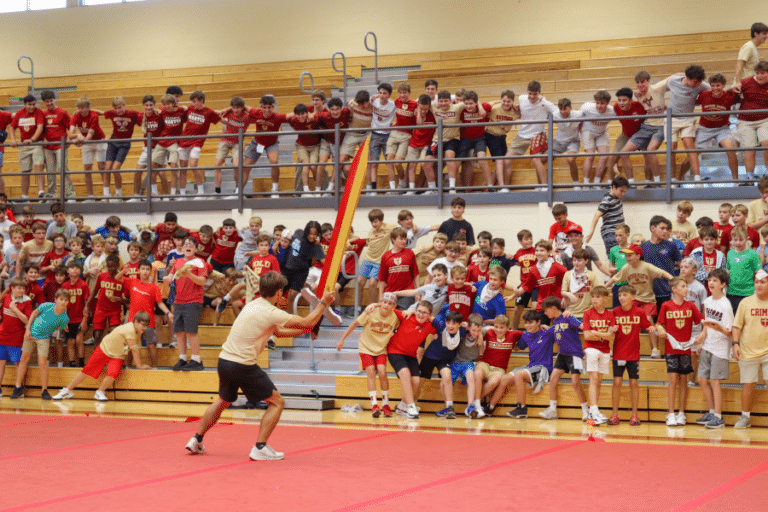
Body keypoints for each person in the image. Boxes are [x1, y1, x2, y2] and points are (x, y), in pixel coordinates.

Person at [186, 271, 334, 460]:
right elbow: (306, 321)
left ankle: (196, 439)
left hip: (224, 361)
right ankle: (260, 448)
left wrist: (307, 329)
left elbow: (278, 332)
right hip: (242, 365)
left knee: (223, 400)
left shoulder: (253, 304)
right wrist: (323, 303)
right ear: (278, 292)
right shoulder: (271, 312)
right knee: (277, 402)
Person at [53, 311, 151, 402]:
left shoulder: (138, 333)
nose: (145, 328)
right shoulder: (129, 329)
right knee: (86, 370)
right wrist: (139, 366)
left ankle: (100, 391)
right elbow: (134, 350)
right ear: (136, 321)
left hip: (118, 355)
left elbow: (136, 349)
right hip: (104, 349)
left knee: (113, 374)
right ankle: (67, 390)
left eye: (147, 326)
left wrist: (138, 365)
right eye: (143, 325)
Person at [337, 292, 401, 418]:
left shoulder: (395, 317)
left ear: (394, 306)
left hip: (381, 348)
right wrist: (342, 339)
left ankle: (386, 405)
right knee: (371, 372)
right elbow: (354, 324)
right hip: (365, 347)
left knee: (382, 373)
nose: (386, 305)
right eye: (384, 302)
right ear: (380, 302)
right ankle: (374, 405)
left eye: (390, 303)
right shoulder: (370, 311)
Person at [606, 244, 673, 359]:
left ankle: (655, 349)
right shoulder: (626, 268)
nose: (627, 258)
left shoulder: (646, 266)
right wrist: (604, 287)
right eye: (626, 256)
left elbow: (662, 272)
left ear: (638, 255)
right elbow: (615, 278)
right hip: (634, 299)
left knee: (648, 319)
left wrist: (673, 279)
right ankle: (618, 346)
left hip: (648, 299)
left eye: (630, 255)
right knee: (624, 319)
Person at [656, 277, 704, 426]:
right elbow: (659, 323)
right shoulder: (666, 305)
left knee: (683, 380)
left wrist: (702, 336)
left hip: (685, 349)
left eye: (686, 286)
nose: (686, 289)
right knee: (672, 381)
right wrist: (660, 329)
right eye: (683, 286)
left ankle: (681, 413)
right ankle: (671, 414)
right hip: (671, 349)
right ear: (674, 289)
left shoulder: (691, 306)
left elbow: (703, 322)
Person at [488, 310, 554, 418]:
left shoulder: (547, 332)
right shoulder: (526, 335)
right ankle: (490, 407)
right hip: (531, 367)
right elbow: (517, 347)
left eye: (531, 322)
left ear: (538, 322)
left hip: (544, 369)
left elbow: (563, 327)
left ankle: (522, 408)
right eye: (526, 323)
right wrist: (502, 340)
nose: (528, 325)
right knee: (505, 379)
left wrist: (548, 326)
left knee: (519, 374)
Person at [10, 289, 70, 400]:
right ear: (55, 300)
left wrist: (49, 330)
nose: (63, 302)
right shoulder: (46, 306)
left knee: (42, 363)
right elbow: (34, 314)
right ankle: (17, 387)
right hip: (31, 334)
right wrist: (27, 330)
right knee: (23, 359)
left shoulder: (64, 318)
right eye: (61, 299)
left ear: (68, 302)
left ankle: (44, 390)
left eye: (66, 300)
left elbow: (58, 328)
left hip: (44, 339)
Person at [694, 268, 733, 429]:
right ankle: (711, 412)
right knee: (702, 379)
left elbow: (729, 331)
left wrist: (718, 328)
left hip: (720, 348)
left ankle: (718, 417)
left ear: (722, 284)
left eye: (715, 280)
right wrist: (702, 341)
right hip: (707, 346)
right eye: (710, 280)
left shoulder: (726, 304)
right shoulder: (708, 301)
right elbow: (706, 323)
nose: (711, 283)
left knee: (714, 381)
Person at [611, 285, 656, 425]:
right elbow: (610, 328)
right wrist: (611, 329)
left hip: (633, 354)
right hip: (618, 354)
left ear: (633, 297)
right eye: (620, 295)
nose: (621, 298)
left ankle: (634, 415)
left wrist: (652, 327)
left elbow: (647, 325)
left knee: (634, 383)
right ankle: (614, 415)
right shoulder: (615, 312)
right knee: (617, 383)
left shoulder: (639, 312)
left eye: (625, 295)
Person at [538, 296, 588, 421]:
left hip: (574, 354)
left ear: (554, 308)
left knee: (575, 383)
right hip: (563, 354)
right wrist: (548, 329)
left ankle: (586, 412)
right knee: (553, 379)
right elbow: (559, 331)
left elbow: (583, 326)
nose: (545, 313)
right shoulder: (555, 321)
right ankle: (552, 410)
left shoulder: (568, 317)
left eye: (546, 310)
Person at [387, 300, 437, 419]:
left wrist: (433, 319)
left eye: (424, 313)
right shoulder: (407, 316)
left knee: (416, 381)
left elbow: (441, 327)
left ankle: (402, 406)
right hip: (395, 351)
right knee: (405, 374)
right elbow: (389, 308)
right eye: (419, 311)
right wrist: (375, 305)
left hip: (411, 355)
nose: (421, 314)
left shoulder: (430, 325)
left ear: (429, 315)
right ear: (415, 311)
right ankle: (411, 407)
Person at [731, 268, 768, 429]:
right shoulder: (745, 303)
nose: (759, 285)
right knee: (748, 385)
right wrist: (735, 343)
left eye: (763, 282)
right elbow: (736, 326)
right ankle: (745, 417)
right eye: (757, 282)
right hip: (748, 351)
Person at [165, 237, 209, 371]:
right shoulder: (178, 262)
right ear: (182, 248)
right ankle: (182, 359)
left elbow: (202, 281)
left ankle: (196, 360)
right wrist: (167, 278)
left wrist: (189, 274)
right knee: (179, 332)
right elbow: (170, 277)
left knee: (191, 332)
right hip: (178, 301)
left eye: (191, 244)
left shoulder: (200, 262)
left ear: (195, 249)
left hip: (193, 301)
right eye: (186, 244)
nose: (188, 246)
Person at [506, 81, 558, 186]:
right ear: (527, 91)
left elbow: (558, 113)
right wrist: (514, 106)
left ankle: (544, 187)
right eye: (530, 93)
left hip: (537, 134)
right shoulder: (521, 98)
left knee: (536, 160)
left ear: (539, 93)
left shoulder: (545, 103)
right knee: (506, 160)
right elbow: (517, 108)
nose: (532, 96)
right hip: (522, 134)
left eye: (535, 94)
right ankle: (505, 188)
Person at [694, 73, 741, 182]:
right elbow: (691, 102)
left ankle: (736, 181)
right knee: (692, 154)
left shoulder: (730, 96)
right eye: (713, 86)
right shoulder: (704, 95)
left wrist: (733, 89)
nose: (715, 88)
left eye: (718, 85)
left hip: (722, 129)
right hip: (704, 129)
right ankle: (679, 178)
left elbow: (744, 96)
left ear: (724, 85)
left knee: (731, 150)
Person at [244, 95, 287, 198]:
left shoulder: (278, 117)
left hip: (271, 144)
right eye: (264, 107)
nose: (267, 110)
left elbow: (292, 115)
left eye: (269, 107)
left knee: (274, 161)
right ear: (261, 107)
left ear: (273, 107)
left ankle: (275, 190)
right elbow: (243, 106)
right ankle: (238, 191)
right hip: (257, 142)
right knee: (245, 166)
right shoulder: (256, 112)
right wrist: (227, 110)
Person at [282, 221, 325, 315]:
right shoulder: (298, 233)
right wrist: (276, 243)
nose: (312, 236)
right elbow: (284, 238)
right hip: (287, 269)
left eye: (315, 234)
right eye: (310, 233)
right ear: (306, 231)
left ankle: (290, 317)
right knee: (278, 292)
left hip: (301, 272)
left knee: (292, 295)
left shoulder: (316, 246)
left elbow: (324, 261)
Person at [102, 96, 140, 200]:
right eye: (116, 108)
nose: (118, 110)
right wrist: (85, 110)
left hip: (124, 144)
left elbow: (144, 115)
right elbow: (101, 113)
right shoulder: (112, 113)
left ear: (124, 105)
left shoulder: (132, 113)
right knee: (107, 169)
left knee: (115, 169)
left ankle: (118, 194)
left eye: (120, 107)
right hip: (113, 142)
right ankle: (106, 194)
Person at [735, 60, 768, 182]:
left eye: (763, 73)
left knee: (766, 143)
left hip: (765, 120)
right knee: (749, 148)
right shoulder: (746, 82)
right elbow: (733, 94)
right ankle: (749, 176)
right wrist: (733, 89)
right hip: (745, 121)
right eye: (757, 73)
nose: (759, 76)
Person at [0, 279, 33, 398]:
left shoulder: (27, 301)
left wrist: (14, 309)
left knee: (18, 363)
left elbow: (27, 320)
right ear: (12, 288)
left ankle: (19, 388)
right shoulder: (6, 297)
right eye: (18, 288)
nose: (21, 290)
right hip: (2, 335)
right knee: (1, 362)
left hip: (17, 337)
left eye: (23, 288)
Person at [40, 90, 76, 198]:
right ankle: (52, 195)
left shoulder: (62, 112)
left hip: (61, 145)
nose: (49, 103)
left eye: (51, 101)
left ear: (54, 100)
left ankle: (70, 195)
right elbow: (41, 129)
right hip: (48, 147)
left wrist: (68, 139)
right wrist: (43, 138)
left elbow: (71, 127)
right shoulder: (43, 114)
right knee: (50, 172)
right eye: (47, 101)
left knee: (62, 169)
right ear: (44, 102)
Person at [8, 95, 46, 199]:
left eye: (33, 104)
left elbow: (40, 127)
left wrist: (32, 139)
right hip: (23, 146)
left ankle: (41, 192)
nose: (32, 107)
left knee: (38, 167)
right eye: (29, 105)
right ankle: (24, 196)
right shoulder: (19, 113)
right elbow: (12, 127)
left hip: (36, 143)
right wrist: (13, 139)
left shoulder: (38, 112)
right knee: (25, 171)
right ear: (25, 104)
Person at [356, 209, 395, 309]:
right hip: (368, 259)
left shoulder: (388, 228)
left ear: (381, 220)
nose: (373, 224)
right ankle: (358, 308)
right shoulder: (371, 230)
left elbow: (401, 226)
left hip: (378, 262)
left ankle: (373, 307)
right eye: (372, 222)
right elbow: (369, 243)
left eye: (376, 221)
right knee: (360, 282)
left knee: (372, 284)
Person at [213, 96, 252, 197]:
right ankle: (217, 190)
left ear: (242, 107)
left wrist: (231, 108)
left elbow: (255, 112)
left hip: (237, 143)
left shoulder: (247, 117)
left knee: (236, 165)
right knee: (217, 164)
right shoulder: (228, 112)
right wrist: (223, 115)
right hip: (225, 140)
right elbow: (215, 113)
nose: (235, 110)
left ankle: (237, 190)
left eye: (238, 108)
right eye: (233, 108)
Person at [68, 96, 105, 199]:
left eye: (83, 107)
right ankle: (90, 196)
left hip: (99, 141)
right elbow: (70, 135)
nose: (81, 110)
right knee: (87, 169)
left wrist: (80, 142)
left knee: (101, 167)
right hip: (86, 142)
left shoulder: (94, 116)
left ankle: (107, 194)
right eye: (79, 107)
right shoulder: (76, 115)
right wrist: (77, 136)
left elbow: (89, 136)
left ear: (88, 107)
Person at [609, 87, 647, 182]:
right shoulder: (616, 107)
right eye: (619, 100)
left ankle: (648, 182)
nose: (621, 103)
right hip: (626, 135)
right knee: (613, 157)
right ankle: (610, 183)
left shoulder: (639, 106)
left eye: (624, 100)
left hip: (642, 134)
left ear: (631, 100)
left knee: (649, 156)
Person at [584, 177, 629, 255]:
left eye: (624, 191)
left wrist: (617, 174)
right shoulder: (607, 200)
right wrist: (591, 232)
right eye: (621, 191)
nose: (623, 194)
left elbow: (616, 182)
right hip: (611, 233)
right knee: (616, 257)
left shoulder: (615, 195)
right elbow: (597, 215)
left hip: (617, 233)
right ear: (614, 188)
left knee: (620, 256)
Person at [579, 90, 615, 187]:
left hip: (602, 132)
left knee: (604, 157)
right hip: (588, 132)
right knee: (590, 156)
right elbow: (578, 118)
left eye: (602, 103)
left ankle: (596, 182)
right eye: (597, 103)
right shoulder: (587, 107)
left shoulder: (612, 111)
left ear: (607, 103)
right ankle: (586, 183)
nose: (599, 106)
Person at [154, 94, 186, 197]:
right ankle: (154, 193)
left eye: (168, 104)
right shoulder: (162, 111)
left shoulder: (181, 110)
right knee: (152, 165)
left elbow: (188, 110)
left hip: (174, 142)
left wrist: (185, 107)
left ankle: (173, 193)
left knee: (173, 167)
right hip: (162, 141)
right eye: (164, 104)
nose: (166, 106)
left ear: (173, 103)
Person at [726, 225, 762, 312]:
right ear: (732, 240)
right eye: (735, 240)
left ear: (747, 239)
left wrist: (757, 291)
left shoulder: (753, 254)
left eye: (741, 240)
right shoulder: (730, 253)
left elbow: (759, 274)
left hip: (748, 293)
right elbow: (728, 272)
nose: (738, 243)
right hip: (732, 292)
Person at [550, 98, 583, 187]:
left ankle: (576, 184)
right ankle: (545, 185)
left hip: (573, 141)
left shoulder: (578, 114)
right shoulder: (554, 115)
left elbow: (589, 114)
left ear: (570, 108)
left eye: (565, 109)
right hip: (559, 141)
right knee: (544, 158)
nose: (562, 111)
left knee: (571, 160)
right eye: (561, 109)